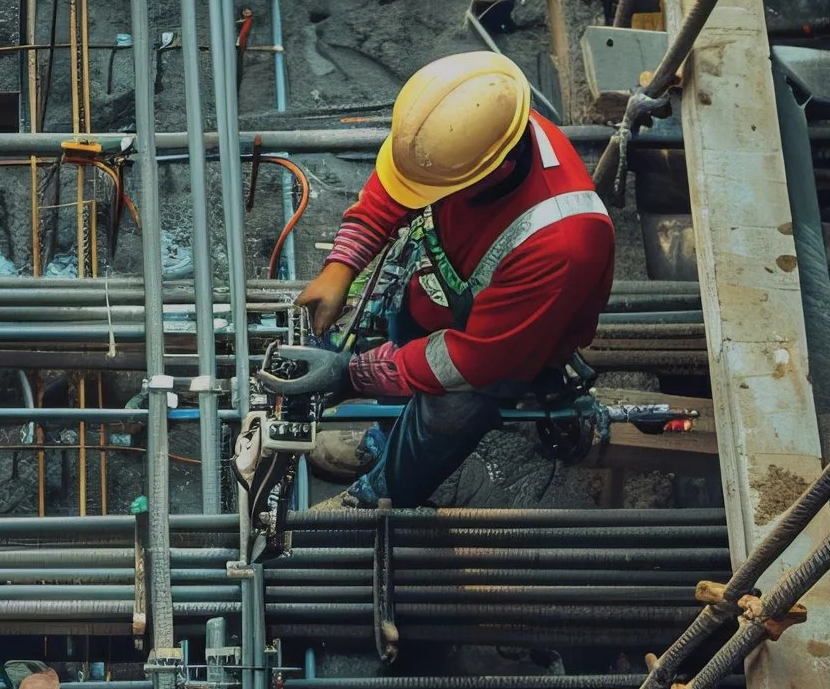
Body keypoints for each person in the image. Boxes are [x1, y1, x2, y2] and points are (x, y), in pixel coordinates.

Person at [258, 50, 615, 508]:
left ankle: (386, 493)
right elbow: (400, 182)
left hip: (493, 353)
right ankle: (383, 439)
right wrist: (342, 264)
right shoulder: (474, 132)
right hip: (441, 290)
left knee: (440, 421)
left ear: (496, 171)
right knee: (402, 339)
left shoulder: (563, 243)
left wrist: (353, 373)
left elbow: (470, 361)